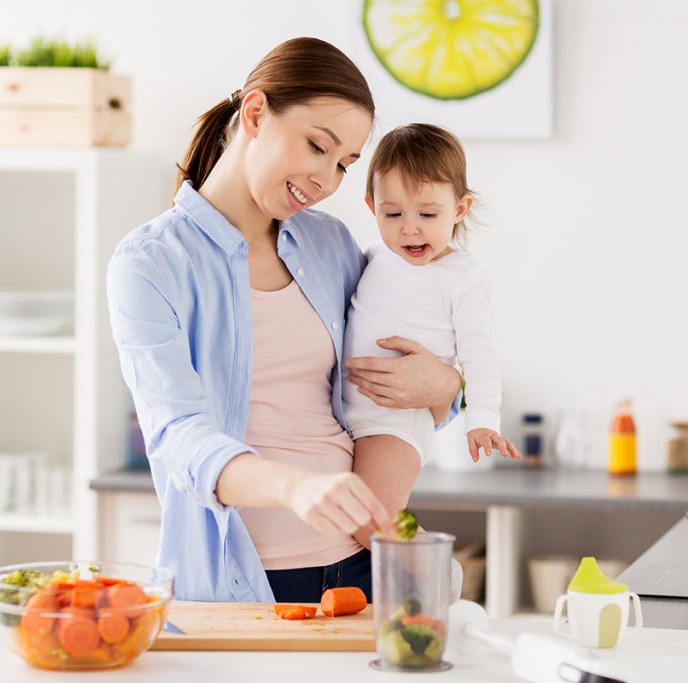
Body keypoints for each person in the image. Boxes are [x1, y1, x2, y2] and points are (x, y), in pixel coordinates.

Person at [106, 38, 462, 603]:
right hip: (242, 582)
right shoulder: (150, 262)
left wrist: (448, 384)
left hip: (361, 568)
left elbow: (395, 375)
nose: (327, 179)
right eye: (318, 147)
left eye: (344, 163)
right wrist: (295, 487)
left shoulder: (332, 245)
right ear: (255, 113)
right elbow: (177, 435)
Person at [344, 123, 523, 537]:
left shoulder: (464, 279)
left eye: (427, 214)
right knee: (351, 522)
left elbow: (480, 354)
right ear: (372, 207)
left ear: (459, 209)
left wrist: (482, 419)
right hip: (347, 415)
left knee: (371, 527)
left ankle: (439, 575)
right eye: (393, 214)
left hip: (395, 422)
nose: (410, 228)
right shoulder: (373, 256)